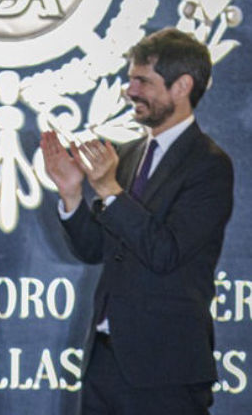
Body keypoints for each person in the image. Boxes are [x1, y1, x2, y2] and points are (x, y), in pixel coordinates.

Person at [40, 27, 232, 415]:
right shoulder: (127, 155)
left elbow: (166, 252)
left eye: (142, 80)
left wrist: (110, 191)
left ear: (182, 86)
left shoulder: (209, 165)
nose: (130, 90)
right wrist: (72, 193)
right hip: (105, 363)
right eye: (130, 80)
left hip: (166, 371)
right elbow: (96, 249)